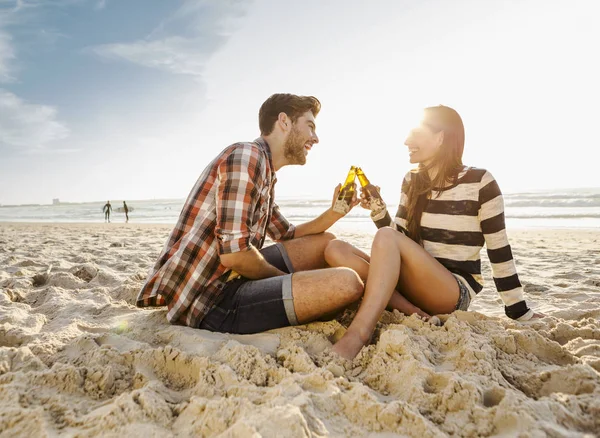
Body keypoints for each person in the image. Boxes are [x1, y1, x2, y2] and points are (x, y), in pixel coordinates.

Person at [325, 105, 543, 359]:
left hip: (451, 290)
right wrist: (377, 209)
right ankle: (414, 312)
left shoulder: (481, 182)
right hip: (412, 283)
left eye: (416, 133)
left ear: (441, 138)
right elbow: (398, 239)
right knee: (335, 248)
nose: (407, 141)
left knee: (383, 239)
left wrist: (518, 309)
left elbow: (499, 249)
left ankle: (359, 333)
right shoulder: (412, 181)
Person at [136, 93, 365, 333]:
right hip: (210, 301)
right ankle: (385, 284)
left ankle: (385, 281)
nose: (316, 138)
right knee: (347, 283)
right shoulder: (246, 156)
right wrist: (282, 280)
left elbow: (287, 234)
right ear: (284, 122)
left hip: (232, 277)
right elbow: (235, 256)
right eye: (310, 127)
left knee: (326, 241)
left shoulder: (264, 170)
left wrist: (335, 212)